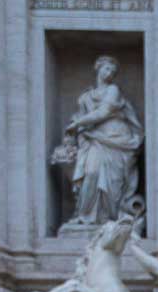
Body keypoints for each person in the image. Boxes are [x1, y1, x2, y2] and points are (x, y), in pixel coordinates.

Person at [60, 55, 144, 227]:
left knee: (113, 183)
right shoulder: (86, 97)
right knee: (91, 173)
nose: (110, 73)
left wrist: (78, 124)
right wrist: (74, 128)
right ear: (98, 68)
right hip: (95, 140)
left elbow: (104, 112)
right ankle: (85, 216)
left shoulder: (113, 90)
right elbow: (81, 117)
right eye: (107, 68)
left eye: (113, 71)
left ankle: (108, 219)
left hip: (117, 138)